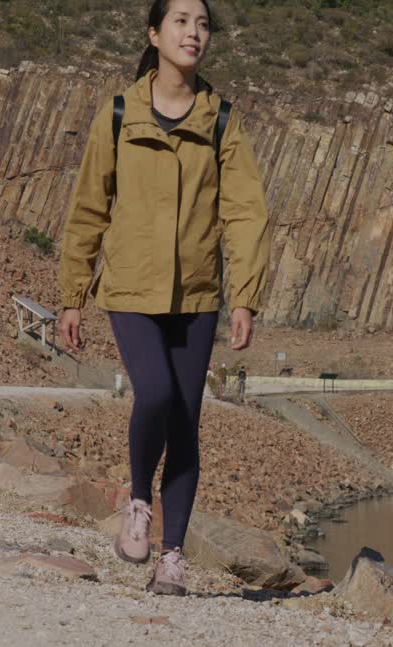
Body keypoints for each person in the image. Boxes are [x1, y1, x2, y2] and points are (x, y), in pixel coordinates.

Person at [57, 0, 270, 596]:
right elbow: (88, 207)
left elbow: (246, 213)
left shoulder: (222, 121)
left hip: (197, 295)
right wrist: (73, 294)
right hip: (129, 286)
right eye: (180, 21)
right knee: (154, 394)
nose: (193, 33)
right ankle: (138, 502)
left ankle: (172, 557)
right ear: (154, 34)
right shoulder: (119, 114)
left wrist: (245, 297)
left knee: (186, 421)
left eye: (202, 24)